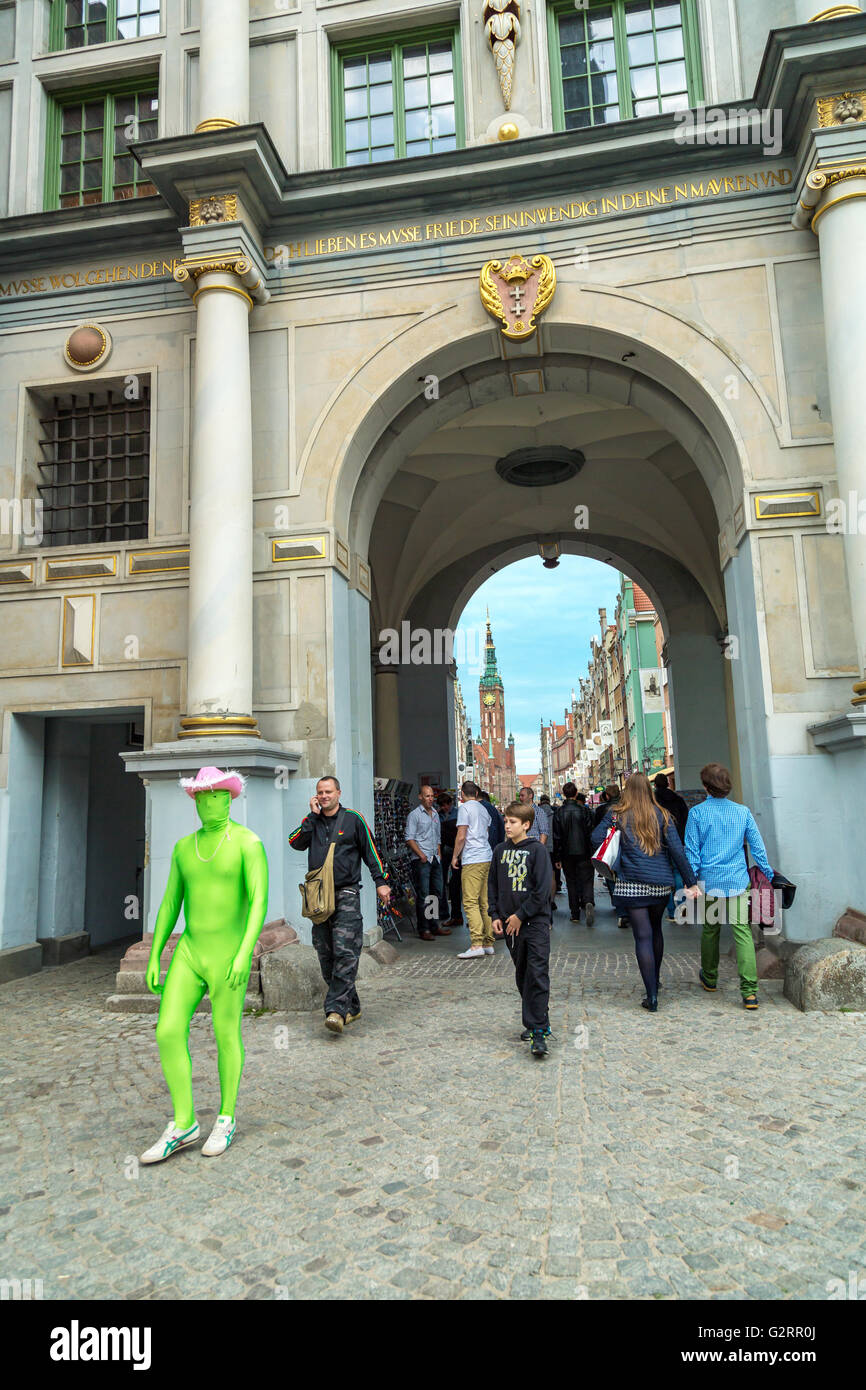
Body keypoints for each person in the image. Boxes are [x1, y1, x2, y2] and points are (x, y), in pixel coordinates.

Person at [141, 767, 268, 1163]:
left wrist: (246, 949)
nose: (213, 803)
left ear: (230, 798)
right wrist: (155, 951)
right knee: (167, 1030)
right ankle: (184, 1122)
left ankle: (226, 1116)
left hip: (228, 954)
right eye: (205, 797)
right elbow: (169, 904)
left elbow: (259, 901)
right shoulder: (183, 848)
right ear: (195, 800)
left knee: (225, 1032)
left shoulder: (248, 843)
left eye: (219, 796)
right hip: (191, 951)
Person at [289, 775, 391, 1033]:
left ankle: (335, 1009)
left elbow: (371, 851)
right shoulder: (311, 822)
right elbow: (295, 842)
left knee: (346, 952)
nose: (324, 796)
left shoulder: (353, 819)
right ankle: (352, 1007)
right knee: (326, 955)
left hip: (346, 893)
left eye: (328, 792)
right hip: (318, 898)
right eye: (320, 792)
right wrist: (311, 817)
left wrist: (381, 882)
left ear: (338, 793)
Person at [591, 772, 699, 1012]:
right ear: (650, 790)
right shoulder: (662, 815)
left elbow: (595, 838)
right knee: (656, 931)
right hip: (660, 883)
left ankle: (651, 995)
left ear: (627, 790)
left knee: (642, 937)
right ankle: (656, 981)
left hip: (631, 884)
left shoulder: (617, 814)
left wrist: (612, 825)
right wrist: (690, 882)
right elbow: (677, 851)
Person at [684, 762, 773, 1011]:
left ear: (705, 787)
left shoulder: (697, 814)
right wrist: (768, 873)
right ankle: (749, 992)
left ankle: (710, 978)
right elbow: (757, 847)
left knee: (710, 929)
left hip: (710, 882)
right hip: (737, 880)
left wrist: (691, 881)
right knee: (742, 931)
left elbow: (691, 851)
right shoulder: (743, 812)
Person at [489, 800, 554, 1057]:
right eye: (505, 821)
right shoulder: (499, 851)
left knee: (537, 972)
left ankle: (538, 1032)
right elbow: (492, 884)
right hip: (509, 925)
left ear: (526, 825)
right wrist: (495, 914)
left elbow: (541, 891)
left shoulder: (537, 850)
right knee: (523, 973)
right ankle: (538, 1019)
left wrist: (520, 915)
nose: (507, 825)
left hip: (535, 922)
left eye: (512, 822)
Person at [452, 781, 494, 960]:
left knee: (470, 901)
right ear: (476, 793)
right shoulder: (484, 809)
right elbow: (486, 831)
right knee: (484, 902)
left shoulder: (464, 809)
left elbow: (461, 835)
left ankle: (476, 943)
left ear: (462, 794)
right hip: (486, 856)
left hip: (472, 858)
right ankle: (488, 942)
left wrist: (455, 856)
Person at [404, 784, 451, 941]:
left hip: (435, 858)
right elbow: (409, 838)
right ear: (420, 797)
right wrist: (421, 855)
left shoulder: (436, 814)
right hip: (421, 860)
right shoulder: (414, 815)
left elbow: (437, 836)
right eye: (427, 796)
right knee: (424, 894)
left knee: (436, 893)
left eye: (432, 796)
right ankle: (424, 928)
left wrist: (438, 852)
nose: (430, 799)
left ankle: (434, 925)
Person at [553, 782, 595, 925]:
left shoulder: (559, 812)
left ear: (564, 794)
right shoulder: (584, 810)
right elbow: (590, 832)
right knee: (587, 879)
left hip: (567, 852)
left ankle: (575, 913)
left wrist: (557, 857)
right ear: (576, 793)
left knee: (571, 882)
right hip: (584, 851)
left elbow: (557, 836)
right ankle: (588, 901)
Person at [653, 774, 689, 919]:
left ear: (655, 785)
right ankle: (682, 906)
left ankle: (671, 911)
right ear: (668, 783)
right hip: (678, 840)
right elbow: (686, 819)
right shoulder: (678, 799)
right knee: (678, 873)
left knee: (665, 876)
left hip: (659, 842)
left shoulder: (653, 801)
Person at [437, 793, 462, 926]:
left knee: (455, 883)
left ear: (450, 803)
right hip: (444, 850)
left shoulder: (458, 813)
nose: (445, 807)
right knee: (440, 881)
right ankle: (443, 911)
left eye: (446, 804)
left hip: (456, 852)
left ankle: (456, 914)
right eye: (442, 805)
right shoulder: (438, 815)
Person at [539, 794, 561, 893]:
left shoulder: (536, 812)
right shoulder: (555, 812)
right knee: (554, 871)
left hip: (540, 846)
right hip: (553, 846)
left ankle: (543, 894)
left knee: (540, 872)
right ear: (548, 801)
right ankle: (553, 897)